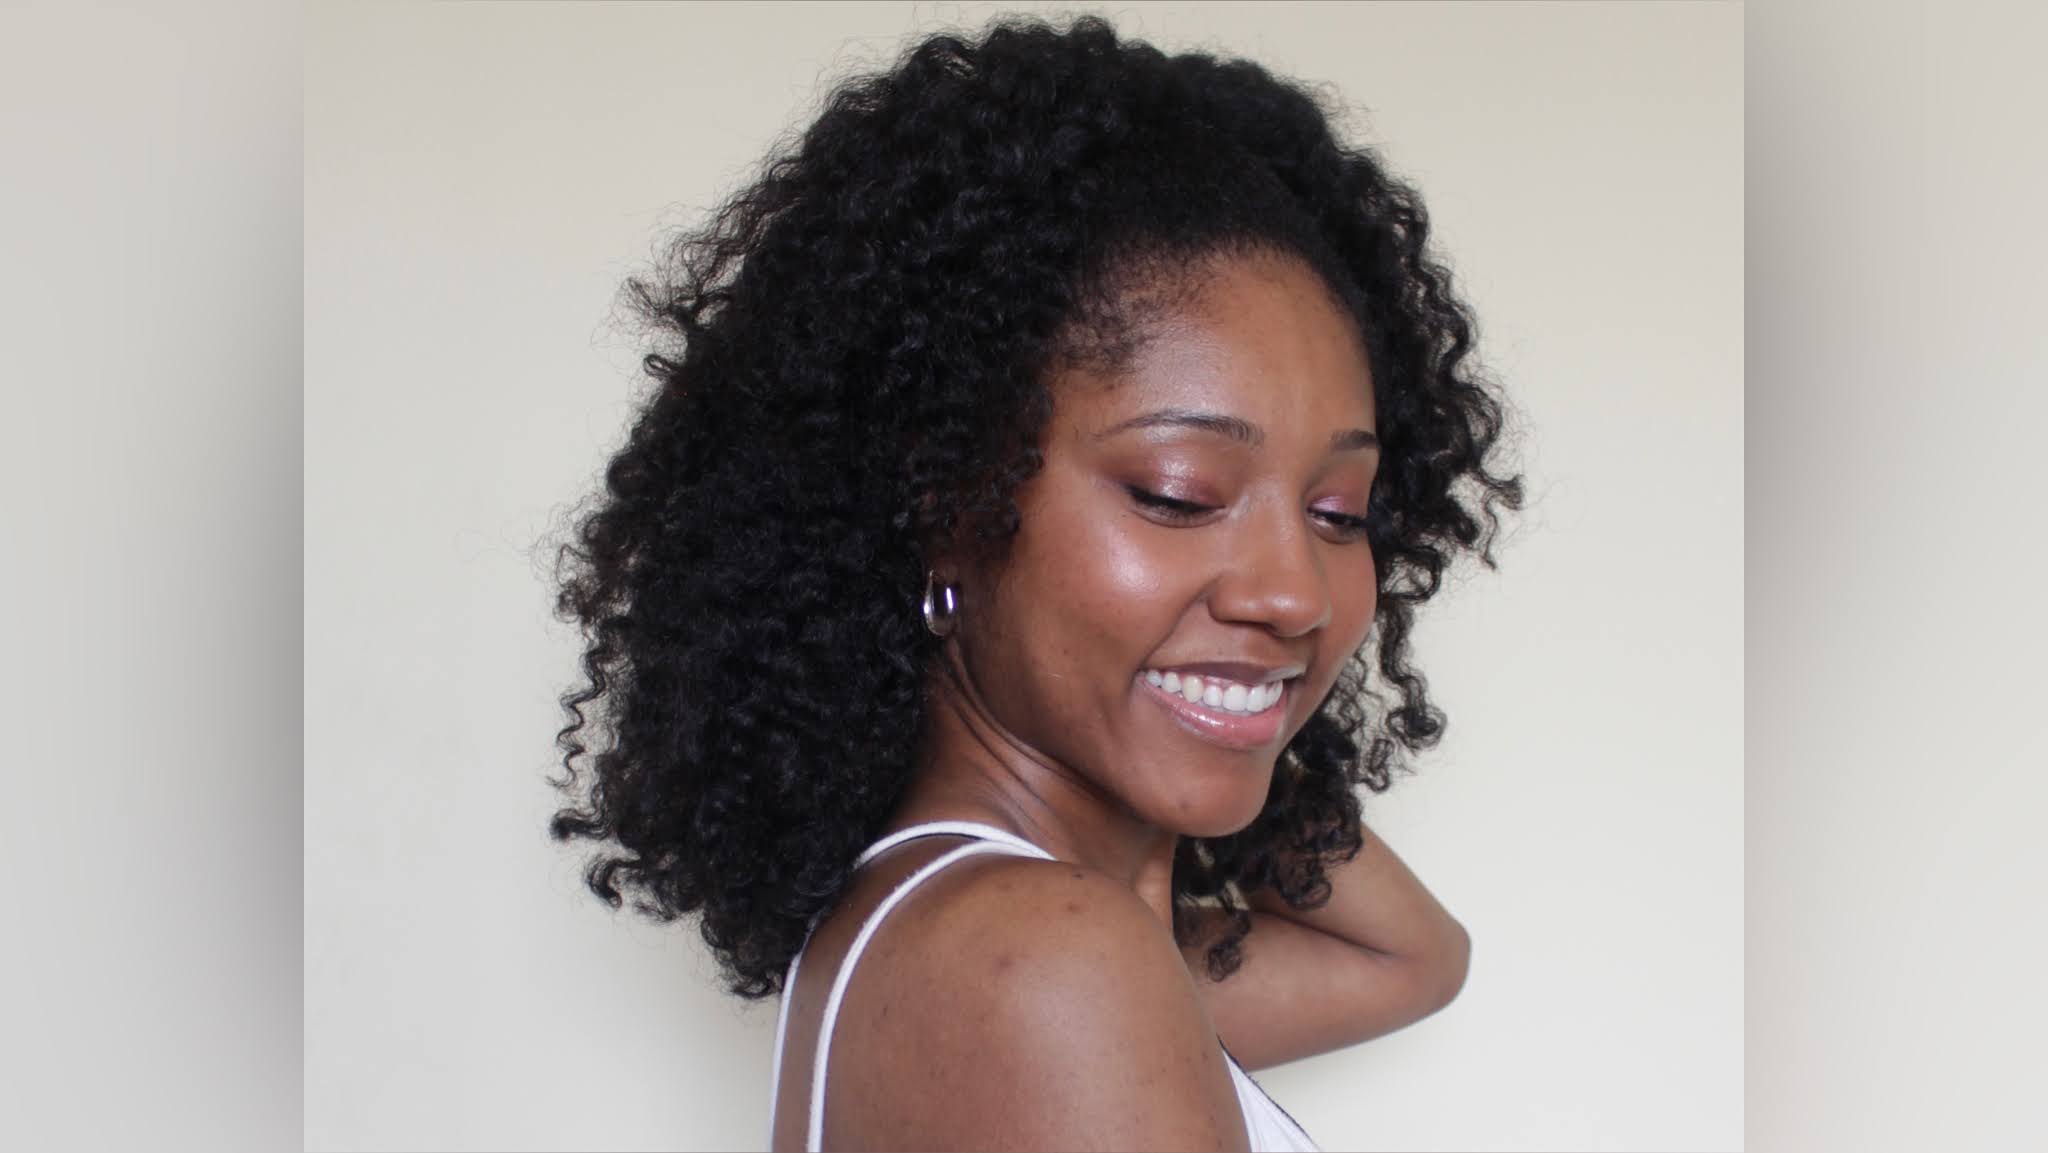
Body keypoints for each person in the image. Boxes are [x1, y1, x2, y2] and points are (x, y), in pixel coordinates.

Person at [547, 14, 1523, 1151]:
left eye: (1337, 512)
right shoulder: (1048, 960)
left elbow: (1413, 957)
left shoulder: (963, 933)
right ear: (949, 507)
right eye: (1177, 494)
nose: (1295, 592)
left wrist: (1229, 688)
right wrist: (1214, 680)